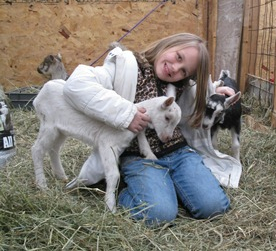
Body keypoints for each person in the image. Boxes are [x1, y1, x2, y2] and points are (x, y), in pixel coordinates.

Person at [63, 33, 241, 226]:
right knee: (158, 214)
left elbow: (198, 93)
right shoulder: (126, 67)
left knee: (214, 206)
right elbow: (76, 84)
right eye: (178, 57)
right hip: (138, 157)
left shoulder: (180, 86)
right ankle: (126, 189)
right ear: (168, 43)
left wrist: (218, 92)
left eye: (183, 71)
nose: (175, 69)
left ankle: (168, 188)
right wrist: (126, 113)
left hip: (179, 153)